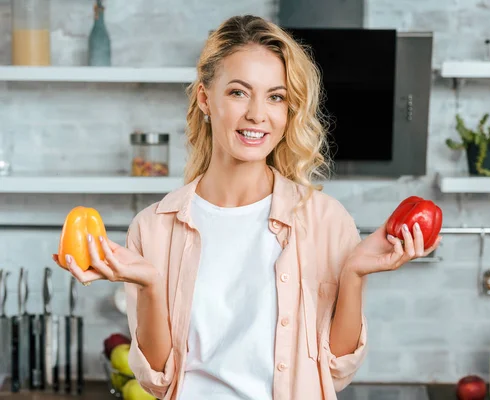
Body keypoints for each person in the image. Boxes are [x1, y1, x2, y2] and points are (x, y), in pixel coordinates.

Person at [54, 14, 440, 400]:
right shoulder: (154, 227)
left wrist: (354, 274)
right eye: (239, 92)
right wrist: (151, 285)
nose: (258, 114)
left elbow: (336, 370)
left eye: (276, 97)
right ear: (205, 98)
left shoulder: (326, 220)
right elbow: (157, 380)